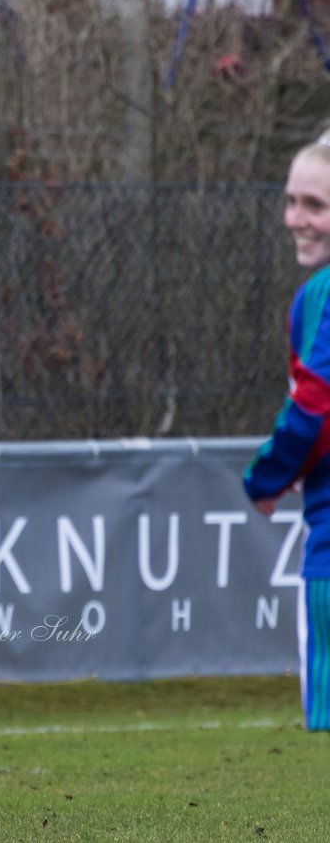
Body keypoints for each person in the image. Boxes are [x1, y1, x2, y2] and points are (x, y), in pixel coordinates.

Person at [245, 129, 330, 733]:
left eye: (315, 205)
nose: (294, 219)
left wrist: (267, 477)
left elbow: (313, 410)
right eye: (292, 201)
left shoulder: (321, 295)